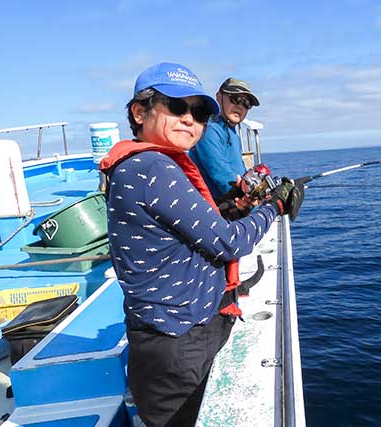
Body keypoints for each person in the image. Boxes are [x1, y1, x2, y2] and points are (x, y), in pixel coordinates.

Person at [99, 62, 303, 427]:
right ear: (139, 111)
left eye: (199, 112)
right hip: (178, 343)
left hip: (173, 332)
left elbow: (189, 229)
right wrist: (274, 207)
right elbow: (229, 243)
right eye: (176, 107)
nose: (190, 119)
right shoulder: (152, 168)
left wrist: (241, 207)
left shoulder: (144, 165)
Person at [188, 78, 260, 207]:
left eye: (247, 103)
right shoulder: (209, 130)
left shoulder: (233, 134)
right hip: (215, 211)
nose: (240, 105)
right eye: (235, 98)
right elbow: (222, 176)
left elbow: (241, 172)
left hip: (234, 204)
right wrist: (253, 196)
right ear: (219, 97)